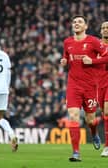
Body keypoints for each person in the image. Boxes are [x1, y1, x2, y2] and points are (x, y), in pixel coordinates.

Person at [60, 15, 108, 162]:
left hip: (90, 87)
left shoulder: (93, 41)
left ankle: (94, 132)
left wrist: (92, 60)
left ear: (86, 26)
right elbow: (66, 56)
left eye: (80, 22)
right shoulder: (67, 42)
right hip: (73, 85)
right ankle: (76, 152)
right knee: (73, 116)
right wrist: (64, 61)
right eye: (74, 22)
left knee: (90, 120)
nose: (76, 24)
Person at [83, 21, 108, 157]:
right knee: (105, 115)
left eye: (107, 28)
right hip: (98, 84)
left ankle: (107, 147)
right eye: (103, 28)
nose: (105, 30)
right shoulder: (96, 45)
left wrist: (92, 61)